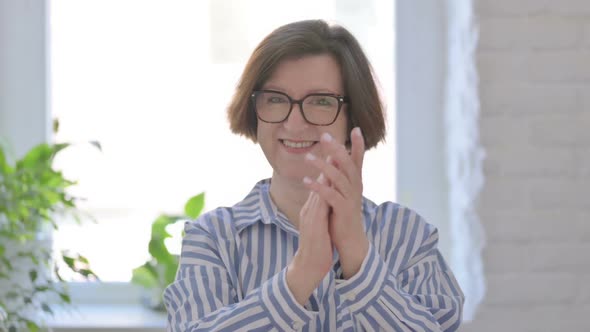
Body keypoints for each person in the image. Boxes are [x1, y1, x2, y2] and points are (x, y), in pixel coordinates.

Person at [163, 19, 464, 331]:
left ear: (354, 117)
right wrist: (300, 276)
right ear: (255, 111)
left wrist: (357, 255)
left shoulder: (407, 236)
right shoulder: (212, 238)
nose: (294, 124)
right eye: (276, 99)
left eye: (321, 101)